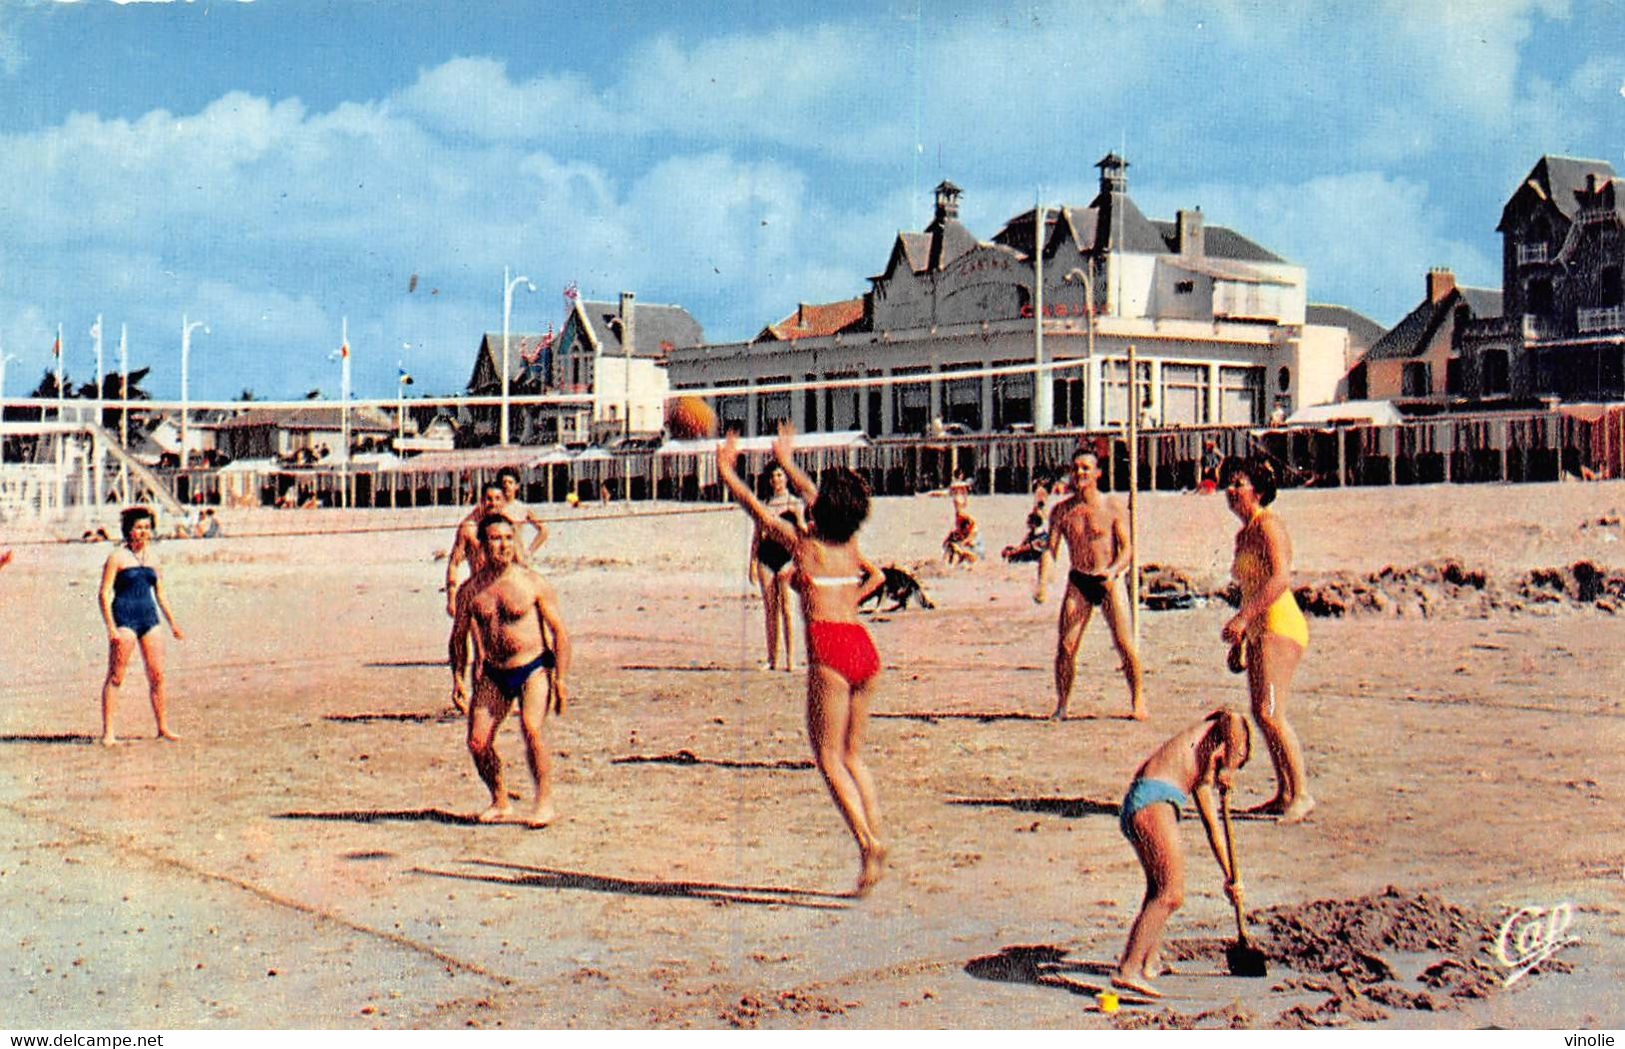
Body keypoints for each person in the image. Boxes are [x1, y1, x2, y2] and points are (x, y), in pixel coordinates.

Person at [717, 424, 888, 895]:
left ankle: (866, 841)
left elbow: (754, 510)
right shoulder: (847, 546)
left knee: (828, 757)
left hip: (830, 649)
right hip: (862, 646)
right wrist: (786, 458)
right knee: (854, 755)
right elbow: (816, 497)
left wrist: (726, 470)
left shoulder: (804, 546)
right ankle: (876, 830)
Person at [1114, 708, 1251, 998]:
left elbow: (1214, 829)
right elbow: (1233, 718)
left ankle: (1148, 962)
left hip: (1145, 802)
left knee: (1158, 890)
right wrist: (1228, 765)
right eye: (1237, 760)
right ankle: (1128, 971)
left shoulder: (1199, 773)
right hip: (1153, 801)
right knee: (1171, 894)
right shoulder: (1222, 727)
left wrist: (1231, 877)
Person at [448, 515, 572, 826]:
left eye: (507, 538)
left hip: (533, 666)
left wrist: (561, 678)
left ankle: (544, 803)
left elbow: (559, 632)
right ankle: (500, 800)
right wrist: (458, 680)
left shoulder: (531, 582)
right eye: (494, 539)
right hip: (494, 672)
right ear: (483, 545)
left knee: (531, 728)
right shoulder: (470, 591)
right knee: (477, 742)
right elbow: (458, 638)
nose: (502, 545)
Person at [1221, 456, 1315, 823]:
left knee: (1271, 712)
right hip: (1259, 627)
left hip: (1279, 623)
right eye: (1228, 483)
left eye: (1238, 483)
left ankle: (1302, 793)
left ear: (1258, 490)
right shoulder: (1244, 534)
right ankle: (1284, 792)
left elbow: (1279, 579)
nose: (1231, 490)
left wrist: (1243, 619)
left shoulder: (1269, 525)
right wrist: (1241, 640)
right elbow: (1249, 587)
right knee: (1264, 714)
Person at [1036, 448, 1145, 720]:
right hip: (1079, 580)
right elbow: (1050, 551)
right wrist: (1042, 582)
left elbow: (1128, 549)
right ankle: (1062, 704)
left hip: (1108, 578)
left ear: (1097, 473)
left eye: (1086, 468)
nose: (1080, 473)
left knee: (1124, 644)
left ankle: (1138, 699)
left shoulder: (1111, 506)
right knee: (1066, 647)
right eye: (1075, 468)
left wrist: (1113, 571)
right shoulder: (1062, 511)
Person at [97, 507, 184, 746]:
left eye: (146, 527)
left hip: (149, 618)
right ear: (129, 530)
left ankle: (163, 727)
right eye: (138, 527)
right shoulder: (117, 557)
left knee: (157, 675)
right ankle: (109, 732)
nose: (143, 532)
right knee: (116, 675)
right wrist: (111, 628)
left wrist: (173, 623)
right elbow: (104, 594)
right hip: (124, 617)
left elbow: (161, 594)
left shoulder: (153, 559)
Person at [746, 463, 805, 672]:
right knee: (770, 609)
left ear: (786, 478)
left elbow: (802, 534)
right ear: (769, 481)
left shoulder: (795, 503)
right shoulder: (765, 505)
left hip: (786, 558)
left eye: (780, 475)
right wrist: (752, 563)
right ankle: (772, 659)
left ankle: (790, 659)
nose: (777, 480)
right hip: (766, 556)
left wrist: (798, 562)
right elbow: (757, 537)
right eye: (773, 477)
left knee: (786, 609)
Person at [445, 482, 507, 618]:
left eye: (497, 498)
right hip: (479, 592)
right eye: (489, 498)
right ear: (482, 500)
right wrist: (451, 597)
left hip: (503, 592)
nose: (493, 503)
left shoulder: (507, 527)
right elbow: (453, 564)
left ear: (503, 501)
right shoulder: (468, 528)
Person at [496, 466, 549, 556]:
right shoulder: (493, 507)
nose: (506, 486)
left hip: (516, 555)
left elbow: (543, 530)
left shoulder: (522, 508)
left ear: (516, 486)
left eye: (510, 482)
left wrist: (529, 551)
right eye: (504, 482)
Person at [941, 485, 982, 566]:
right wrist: (962, 493)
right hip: (960, 535)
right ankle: (949, 562)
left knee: (964, 548)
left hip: (969, 540)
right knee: (948, 544)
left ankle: (963, 559)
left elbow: (966, 541)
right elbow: (958, 505)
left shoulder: (973, 531)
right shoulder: (959, 517)